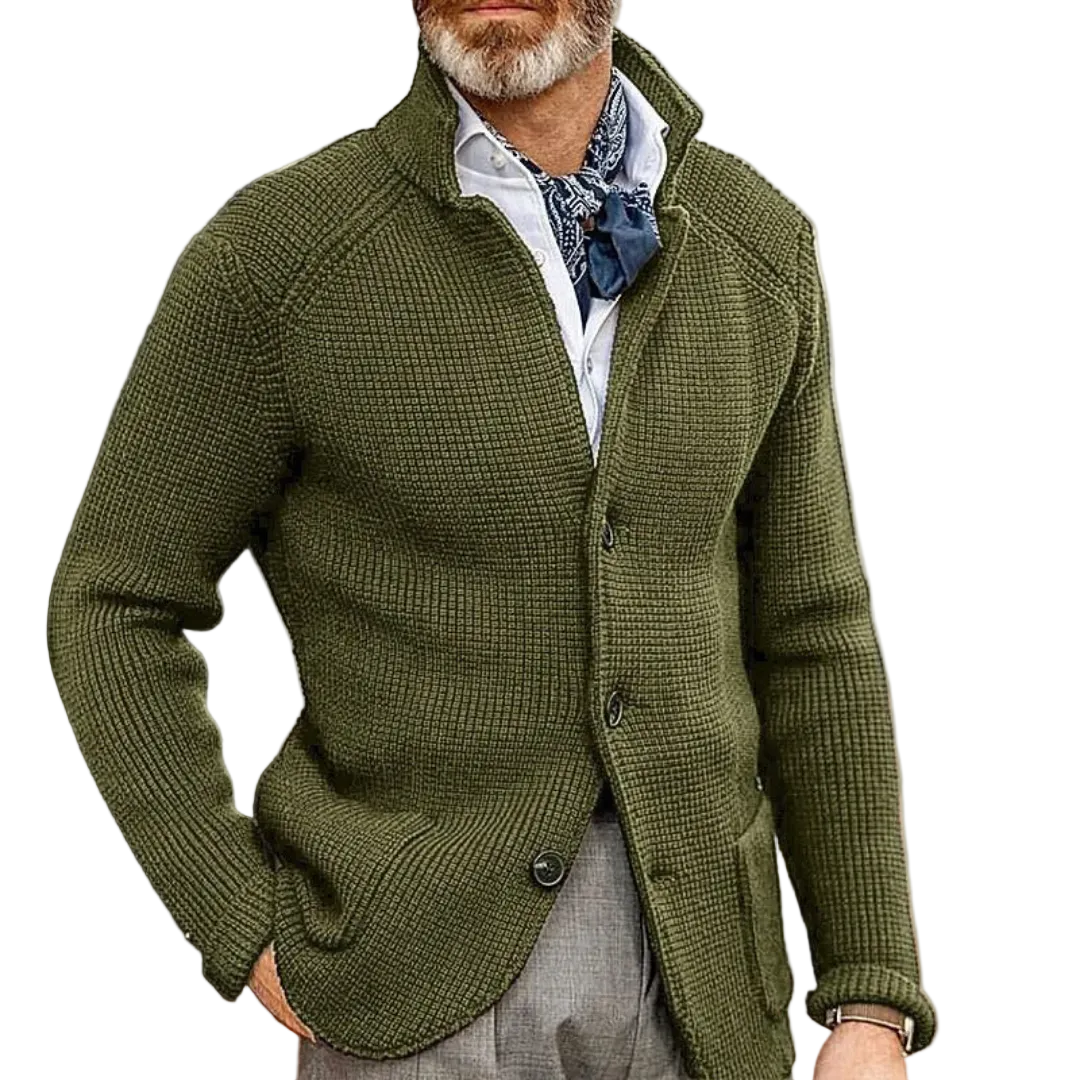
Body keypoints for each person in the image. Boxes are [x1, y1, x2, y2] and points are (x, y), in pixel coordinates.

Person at [46, 2, 937, 1078]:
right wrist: (235, 916)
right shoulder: (282, 258)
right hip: (408, 979)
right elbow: (115, 599)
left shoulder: (757, 244)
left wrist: (869, 991)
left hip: (708, 982)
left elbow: (812, 628)